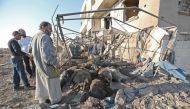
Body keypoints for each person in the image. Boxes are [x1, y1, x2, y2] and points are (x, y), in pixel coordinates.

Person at [30, 21, 62, 104]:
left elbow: (30, 50)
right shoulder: (45, 37)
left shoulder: (34, 36)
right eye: (50, 28)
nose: (51, 30)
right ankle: (55, 101)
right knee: (52, 81)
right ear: (43, 27)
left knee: (43, 82)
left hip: (39, 65)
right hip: (47, 66)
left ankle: (44, 99)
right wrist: (56, 63)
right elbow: (47, 55)